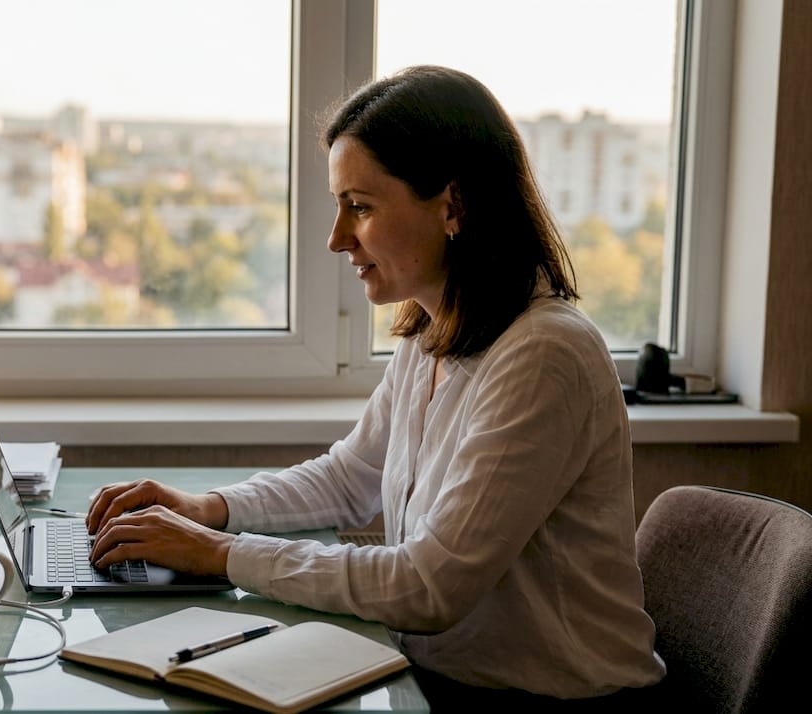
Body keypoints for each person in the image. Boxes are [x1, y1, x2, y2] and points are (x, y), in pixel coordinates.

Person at [86, 65, 666, 708]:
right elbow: (347, 479)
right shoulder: (433, 330)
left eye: (359, 207)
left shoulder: (543, 355)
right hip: (437, 681)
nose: (337, 239)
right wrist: (207, 509)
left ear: (454, 206)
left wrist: (219, 553)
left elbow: (427, 586)